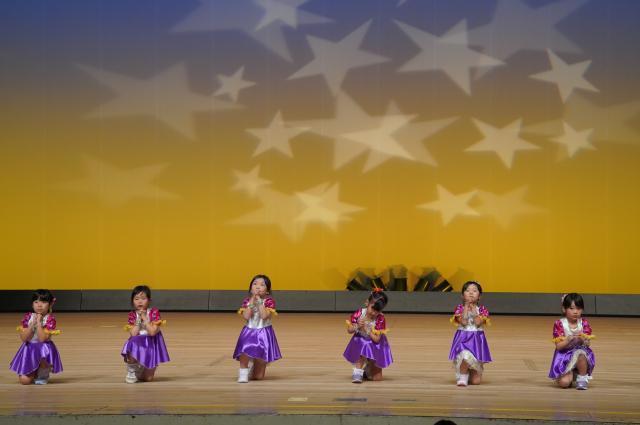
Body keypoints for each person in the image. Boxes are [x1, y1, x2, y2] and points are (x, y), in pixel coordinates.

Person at [233, 274, 282, 383]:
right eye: (255, 284)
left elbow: (264, 316)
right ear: (251, 288)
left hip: (263, 332)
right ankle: (243, 372)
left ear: (267, 291)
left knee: (258, 377)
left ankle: (255, 367)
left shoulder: (269, 302)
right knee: (244, 351)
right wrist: (251, 302)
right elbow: (246, 316)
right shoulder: (247, 301)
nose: (258, 287)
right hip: (249, 331)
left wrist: (259, 302)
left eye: (262, 285)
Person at [9, 289, 63, 385]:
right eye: (36, 302)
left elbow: (42, 339)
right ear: (32, 304)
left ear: (50, 304)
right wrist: (31, 325)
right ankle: (33, 369)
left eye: (43, 302)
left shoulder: (49, 319)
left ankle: (43, 372)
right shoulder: (28, 317)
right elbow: (24, 338)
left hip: (43, 349)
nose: (39, 305)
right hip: (30, 349)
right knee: (24, 381)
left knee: (42, 351)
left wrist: (38, 323)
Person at [121, 285, 170, 383]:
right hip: (138, 343)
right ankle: (131, 370)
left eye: (143, 299)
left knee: (148, 379)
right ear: (132, 301)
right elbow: (133, 333)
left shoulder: (154, 312)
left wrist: (144, 317)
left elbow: (152, 332)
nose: (140, 301)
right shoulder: (132, 314)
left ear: (149, 300)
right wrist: (139, 319)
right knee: (132, 342)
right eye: (136, 299)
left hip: (152, 343)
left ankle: (141, 368)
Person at [343, 288, 393, 383]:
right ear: (367, 303)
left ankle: (367, 370)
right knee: (363, 344)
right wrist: (357, 326)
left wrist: (367, 330)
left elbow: (377, 339)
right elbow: (349, 330)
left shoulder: (380, 319)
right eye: (372, 309)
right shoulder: (359, 313)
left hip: (375, 345)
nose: (374, 313)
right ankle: (357, 371)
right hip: (361, 342)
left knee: (377, 379)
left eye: (377, 311)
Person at [449, 281, 492, 386]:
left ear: (479, 296)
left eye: (474, 291)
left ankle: (469, 370)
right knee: (465, 356)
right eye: (467, 290)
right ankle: (463, 376)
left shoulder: (482, 310)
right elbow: (463, 322)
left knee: (476, 382)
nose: (471, 293)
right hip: (463, 338)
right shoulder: (459, 309)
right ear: (462, 295)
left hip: (476, 340)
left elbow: (477, 323)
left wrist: (473, 311)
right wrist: (466, 308)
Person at [549, 293, 595, 390]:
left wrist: (582, 339)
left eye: (578, 308)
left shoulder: (584, 323)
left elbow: (588, 344)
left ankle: (582, 378)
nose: (575, 312)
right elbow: (559, 347)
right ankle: (571, 373)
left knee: (581, 354)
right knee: (564, 383)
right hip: (564, 356)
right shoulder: (560, 324)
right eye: (571, 308)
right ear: (564, 309)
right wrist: (568, 340)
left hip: (580, 353)